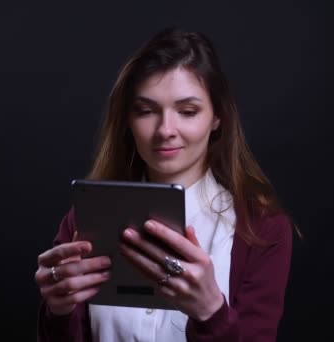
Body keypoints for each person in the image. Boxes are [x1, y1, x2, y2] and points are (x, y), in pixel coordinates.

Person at [34, 27, 294, 342]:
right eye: (146, 111)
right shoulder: (83, 221)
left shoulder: (262, 230)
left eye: (187, 111)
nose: (165, 130)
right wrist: (57, 311)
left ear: (217, 117)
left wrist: (211, 312)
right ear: (127, 120)